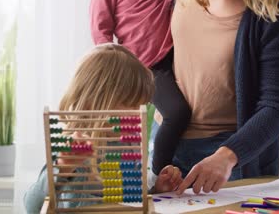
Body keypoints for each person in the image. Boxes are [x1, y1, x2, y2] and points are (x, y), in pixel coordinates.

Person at [169, 0, 279, 195]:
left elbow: (276, 109)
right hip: (167, 142)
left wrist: (227, 156)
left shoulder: (277, 12)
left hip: (233, 155)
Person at [24, 44, 183, 213]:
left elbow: (132, 201)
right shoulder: (73, 147)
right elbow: (32, 206)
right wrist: (62, 167)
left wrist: (156, 191)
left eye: (140, 105)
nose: (138, 114)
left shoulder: (128, 145)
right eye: (130, 104)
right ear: (94, 101)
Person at [90, 0, 192, 178]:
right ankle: (144, 177)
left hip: (169, 61)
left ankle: (158, 172)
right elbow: (101, 32)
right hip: (135, 68)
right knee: (123, 133)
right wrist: (114, 73)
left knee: (177, 113)